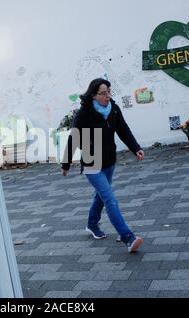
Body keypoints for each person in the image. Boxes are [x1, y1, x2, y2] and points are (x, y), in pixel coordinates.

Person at [61, 78, 144, 253]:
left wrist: (135, 148)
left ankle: (91, 224)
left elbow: (123, 129)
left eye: (108, 92)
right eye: (103, 93)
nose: (107, 96)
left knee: (100, 196)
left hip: (109, 161)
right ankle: (128, 238)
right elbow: (74, 137)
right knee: (110, 200)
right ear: (94, 95)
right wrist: (66, 163)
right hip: (92, 162)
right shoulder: (84, 113)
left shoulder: (113, 108)